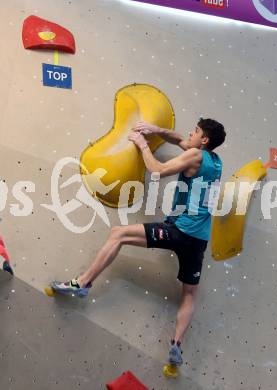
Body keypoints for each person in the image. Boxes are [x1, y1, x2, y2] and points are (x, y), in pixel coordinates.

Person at [51, 118, 226, 367]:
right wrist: (157, 130)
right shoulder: (215, 162)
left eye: (196, 131)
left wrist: (143, 143)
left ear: (204, 140)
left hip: (179, 231)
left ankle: (82, 283)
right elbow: (180, 140)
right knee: (189, 293)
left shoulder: (195, 155)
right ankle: (176, 345)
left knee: (118, 233)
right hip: (198, 240)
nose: (190, 133)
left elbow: (157, 170)